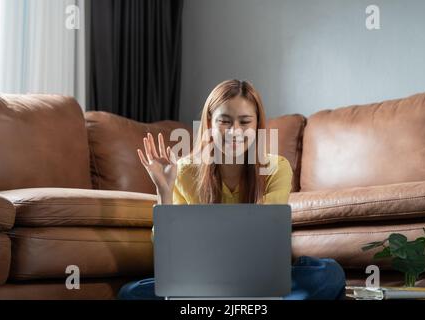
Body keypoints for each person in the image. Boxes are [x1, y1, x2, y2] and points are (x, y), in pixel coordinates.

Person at [118, 79, 346, 300]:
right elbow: (169, 254)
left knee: (329, 273)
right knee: (131, 293)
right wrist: (164, 190)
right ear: (209, 124)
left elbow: (266, 241)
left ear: (257, 125)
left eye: (245, 122)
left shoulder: (276, 168)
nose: (234, 131)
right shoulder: (185, 170)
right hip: (203, 279)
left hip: (259, 277)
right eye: (224, 121)